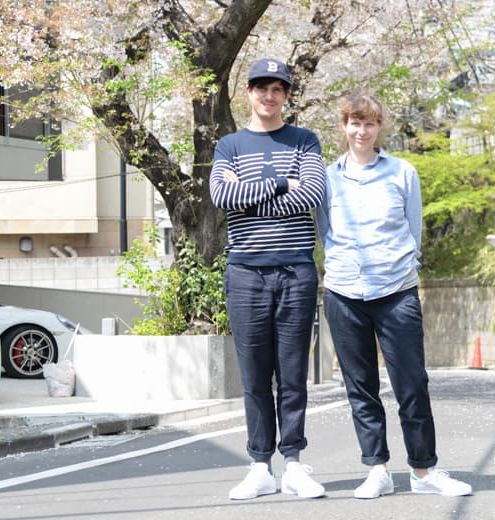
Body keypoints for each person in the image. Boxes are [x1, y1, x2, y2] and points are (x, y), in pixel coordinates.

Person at [317, 93, 473, 499]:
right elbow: (325, 232)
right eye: (354, 123)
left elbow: (413, 229)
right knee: (361, 387)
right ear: (344, 126)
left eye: (369, 123)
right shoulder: (327, 177)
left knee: (412, 384)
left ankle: (424, 472)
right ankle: (377, 470)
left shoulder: (403, 172)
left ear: (380, 127)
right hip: (344, 292)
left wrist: (403, 269)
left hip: (396, 292)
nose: (361, 131)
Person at [209, 58, 326, 501]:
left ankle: (293, 463)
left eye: (278, 89)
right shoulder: (229, 146)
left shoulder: (304, 140)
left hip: (296, 270)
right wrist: (281, 183)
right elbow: (222, 195)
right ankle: (260, 465)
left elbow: (312, 193)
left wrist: (254, 194)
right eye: (262, 88)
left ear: (287, 96)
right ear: (249, 93)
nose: (269, 96)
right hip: (245, 272)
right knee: (255, 375)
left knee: (293, 373)